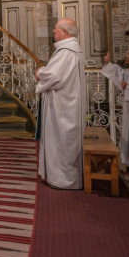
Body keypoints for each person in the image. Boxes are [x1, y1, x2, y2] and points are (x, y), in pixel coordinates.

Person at [35, 18, 85, 190]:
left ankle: (64, 179)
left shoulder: (66, 52)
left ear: (64, 31)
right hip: (67, 102)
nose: (53, 31)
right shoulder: (70, 49)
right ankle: (62, 177)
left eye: (56, 28)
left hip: (62, 106)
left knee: (62, 141)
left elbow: (54, 76)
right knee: (63, 140)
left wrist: (40, 72)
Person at [102, 47, 129, 166]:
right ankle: (128, 160)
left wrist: (127, 87)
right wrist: (108, 64)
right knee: (128, 131)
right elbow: (119, 73)